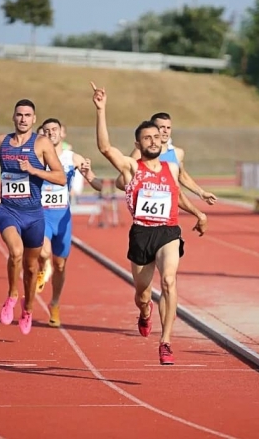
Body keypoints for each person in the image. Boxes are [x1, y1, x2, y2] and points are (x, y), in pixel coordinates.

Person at [91, 81, 208, 365]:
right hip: (141, 234)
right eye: (148, 138)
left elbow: (175, 197)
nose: (154, 141)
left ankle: (166, 341)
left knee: (168, 281)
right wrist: (101, 110)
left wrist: (198, 213)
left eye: (157, 137)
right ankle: (145, 314)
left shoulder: (172, 167)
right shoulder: (132, 168)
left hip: (168, 231)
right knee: (143, 294)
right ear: (138, 144)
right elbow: (106, 147)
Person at [0, 99, 66, 335]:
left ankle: (27, 309)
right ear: (13, 117)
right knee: (15, 252)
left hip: (34, 215)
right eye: (19, 115)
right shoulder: (2, 141)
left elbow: (61, 177)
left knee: (30, 267)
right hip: (8, 210)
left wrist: (34, 170)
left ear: (34, 119)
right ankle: (12, 295)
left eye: (28, 115)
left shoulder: (42, 143)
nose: (23, 119)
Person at [33, 117, 103, 327]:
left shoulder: (73, 158)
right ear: (41, 135)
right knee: (44, 252)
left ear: (62, 133)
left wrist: (89, 173)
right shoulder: (35, 157)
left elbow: (98, 185)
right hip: (41, 214)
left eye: (54, 129)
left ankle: (54, 303)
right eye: (46, 130)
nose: (51, 133)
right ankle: (43, 267)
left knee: (61, 265)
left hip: (63, 217)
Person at [114, 112, 217, 205]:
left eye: (168, 128)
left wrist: (201, 193)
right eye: (161, 127)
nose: (165, 131)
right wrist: (148, 192)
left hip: (169, 211)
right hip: (147, 211)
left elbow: (182, 176)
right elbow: (121, 182)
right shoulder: (141, 152)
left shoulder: (177, 153)